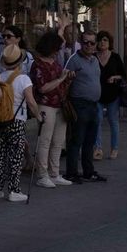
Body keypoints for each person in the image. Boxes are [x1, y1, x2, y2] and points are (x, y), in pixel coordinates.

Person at [0, 43, 38, 203]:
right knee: (15, 156)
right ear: (20, 62)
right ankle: (14, 190)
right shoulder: (23, 79)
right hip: (16, 121)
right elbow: (30, 101)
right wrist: (38, 116)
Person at [29, 30, 72, 188]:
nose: (58, 51)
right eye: (57, 48)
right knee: (45, 140)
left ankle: (54, 172)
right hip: (46, 104)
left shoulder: (55, 63)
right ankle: (42, 174)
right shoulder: (38, 65)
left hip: (59, 104)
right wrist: (61, 78)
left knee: (58, 141)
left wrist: (66, 77)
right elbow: (43, 88)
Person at [62, 37, 104, 181]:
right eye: (86, 42)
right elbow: (64, 77)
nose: (89, 45)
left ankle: (88, 171)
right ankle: (72, 172)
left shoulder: (95, 60)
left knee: (90, 140)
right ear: (81, 43)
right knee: (77, 140)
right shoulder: (74, 59)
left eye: (92, 43)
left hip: (94, 104)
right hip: (79, 103)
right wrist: (69, 77)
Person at [93, 31, 125, 162]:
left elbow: (123, 75)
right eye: (100, 40)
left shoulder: (115, 57)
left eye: (105, 40)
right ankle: (98, 149)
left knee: (113, 121)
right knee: (97, 121)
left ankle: (114, 148)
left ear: (109, 42)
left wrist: (114, 77)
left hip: (113, 94)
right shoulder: (93, 57)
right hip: (97, 94)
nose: (102, 42)